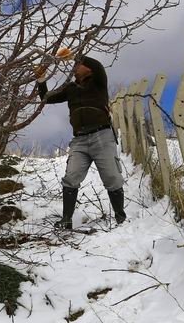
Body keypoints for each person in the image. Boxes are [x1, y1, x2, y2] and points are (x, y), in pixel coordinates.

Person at [34, 54, 127, 229]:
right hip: (80, 140)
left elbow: (97, 65)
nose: (75, 67)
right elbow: (46, 97)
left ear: (89, 69)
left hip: (102, 135)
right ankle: (66, 220)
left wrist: (73, 55)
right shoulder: (71, 88)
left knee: (112, 177)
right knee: (71, 177)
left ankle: (121, 218)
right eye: (75, 64)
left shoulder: (98, 81)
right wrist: (40, 78)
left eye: (79, 64)